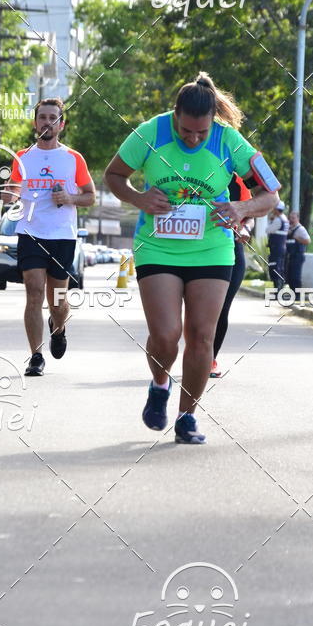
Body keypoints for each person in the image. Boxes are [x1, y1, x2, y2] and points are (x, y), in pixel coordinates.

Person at [104, 72, 280, 444]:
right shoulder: (150, 133)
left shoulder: (229, 140)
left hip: (212, 249)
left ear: (213, 121)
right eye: (186, 131)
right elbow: (114, 175)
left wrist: (240, 207)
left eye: (201, 133)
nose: (194, 139)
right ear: (175, 115)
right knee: (166, 336)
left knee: (202, 337)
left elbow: (271, 196)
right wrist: (139, 198)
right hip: (158, 247)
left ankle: (187, 417)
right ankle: (159, 383)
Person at [2, 96, 96, 376]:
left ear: (61, 124)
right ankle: (35, 356)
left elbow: (90, 196)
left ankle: (59, 327)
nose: (47, 122)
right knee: (33, 291)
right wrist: (8, 193)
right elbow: (11, 193)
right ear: (35, 122)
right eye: (42, 117)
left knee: (57, 300)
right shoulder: (23, 157)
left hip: (62, 235)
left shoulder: (73, 158)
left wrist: (68, 197)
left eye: (53, 118)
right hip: (30, 232)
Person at [210, 173, 253, 378]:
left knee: (221, 308)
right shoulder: (192, 169)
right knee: (197, 310)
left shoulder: (238, 179)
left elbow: (250, 214)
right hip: (195, 251)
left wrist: (245, 228)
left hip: (232, 251)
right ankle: (195, 354)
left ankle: (210, 359)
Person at [285, 210, 311, 291]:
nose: (291, 220)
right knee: (290, 276)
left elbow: (308, 241)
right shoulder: (289, 229)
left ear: (298, 218)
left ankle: (297, 294)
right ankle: (292, 292)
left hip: (298, 256)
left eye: (293, 218)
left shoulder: (300, 229)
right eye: (290, 218)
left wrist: (297, 238)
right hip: (290, 256)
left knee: (295, 276)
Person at [266, 200, 288, 290]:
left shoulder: (278, 220)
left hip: (276, 248)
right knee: (279, 267)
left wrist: (271, 221)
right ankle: (279, 288)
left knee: (275, 267)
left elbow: (268, 230)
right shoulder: (284, 219)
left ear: (277, 209)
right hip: (281, 247)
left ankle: (278, 288)